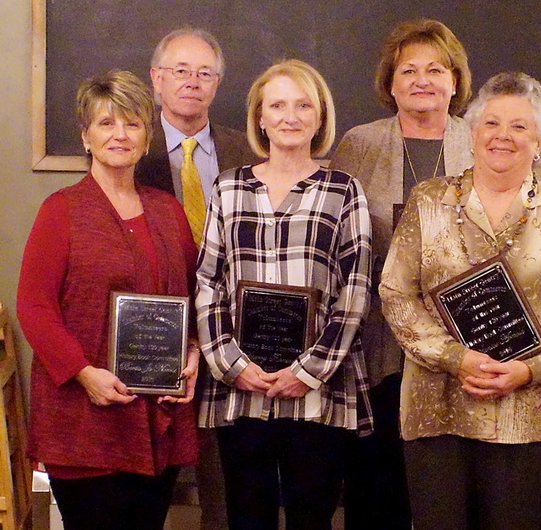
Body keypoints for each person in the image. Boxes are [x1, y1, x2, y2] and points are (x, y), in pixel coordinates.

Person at [379, 71, 541, 530]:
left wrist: (530, 369)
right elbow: (397, 293)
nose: (503, 136)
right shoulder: (428, 200)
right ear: (473, 134)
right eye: (491, 123)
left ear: (539, 141)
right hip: (437, 409)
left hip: (531, 415)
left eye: (520, 126)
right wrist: (454, 357)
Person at [16, 70, 199, 530]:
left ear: (146, 136)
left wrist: (193, 351)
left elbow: (193, 295)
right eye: (106, 123)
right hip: (85, 416)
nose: (120, 134)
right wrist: (84, 374)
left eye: (132, 123)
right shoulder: (61, 211)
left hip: (157, 414)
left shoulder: (168, 210)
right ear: (86, 136)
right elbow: (34, 309)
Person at [195, 59, 372, 530]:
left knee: (311, 520)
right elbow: (209, 282)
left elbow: (355, 289)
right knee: (246, 519)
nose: (289, 116)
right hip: (242, 391)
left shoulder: (343, 190)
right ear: (260, 117)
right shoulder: (228, 188)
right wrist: (232, 365)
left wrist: (307, 371)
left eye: (302, 105)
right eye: (277, 105)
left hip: (317, 393)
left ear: (319, 118)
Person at [328, 19, 472, 529]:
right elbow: (335, 241)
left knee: (448, 494)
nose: (422, 80)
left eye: (435, 69)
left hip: (464, 346)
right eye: (407, 70)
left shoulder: (482, 144)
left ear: (455, 81)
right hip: (378, 347)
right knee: (377, 488)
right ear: (390, 84)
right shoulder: (359, 144)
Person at [135, 27, 258, 529]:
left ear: (218, 84)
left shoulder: (245, 150)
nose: (192, 82)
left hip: (232, 330)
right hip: (152, 327)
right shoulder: (128, 146)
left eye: (204, 73)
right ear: (156, 80)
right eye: (180, 71)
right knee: (146, 477)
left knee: (225, 475)